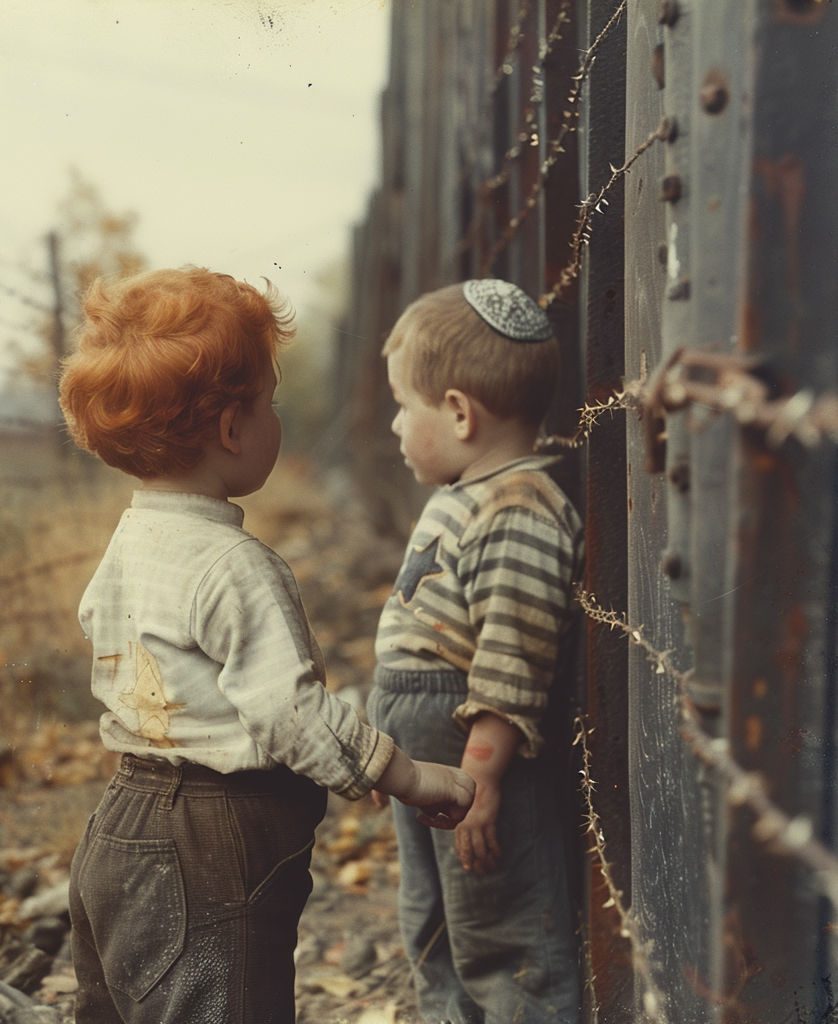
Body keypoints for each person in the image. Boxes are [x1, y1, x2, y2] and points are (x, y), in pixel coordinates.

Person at [57, 266, 475, 1024]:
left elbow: (103, 632)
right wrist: (405, 774)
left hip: (120, 821)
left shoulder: (129, 541)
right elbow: (289, 712)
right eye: (271, 403)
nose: (276, 420)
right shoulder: (236, 566)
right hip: (213, 839)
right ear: (231, 428)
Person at [367, 279, 584, 1024]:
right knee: (431, 920)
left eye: (404, 406)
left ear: (459, 412)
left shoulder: (518, 507)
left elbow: (509, 658)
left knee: (501, 926)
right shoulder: (469, 490)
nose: (396, 427)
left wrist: (483, 780)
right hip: (427, 751)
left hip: (470, 758)